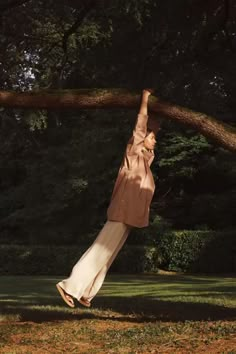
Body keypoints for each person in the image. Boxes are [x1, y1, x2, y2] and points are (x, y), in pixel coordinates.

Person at [56, 89, 159, 308]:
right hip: (121, 212)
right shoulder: (133, 153)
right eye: (152, 137)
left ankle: (86, 293)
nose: (154, 141)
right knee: (99, 250)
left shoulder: (145, 162)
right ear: (142, 139)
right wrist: (145, 99)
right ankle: (69, 286)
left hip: (128, 217)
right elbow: (141, 125)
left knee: (107, 257)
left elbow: (150, 143)